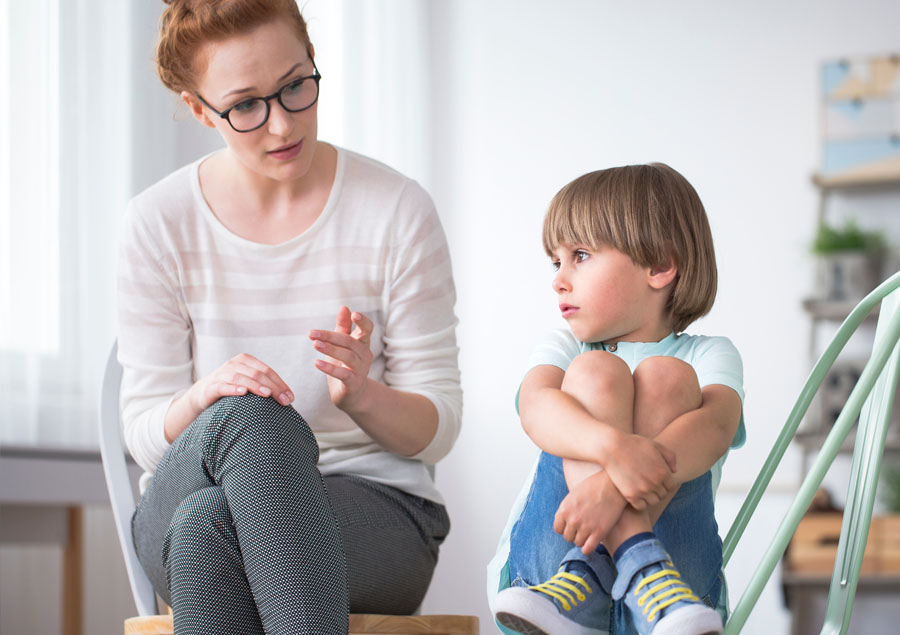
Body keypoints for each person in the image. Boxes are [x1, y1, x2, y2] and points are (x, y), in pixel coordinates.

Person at [118, 2, 461, 633]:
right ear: (200, 109)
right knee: (247, 418)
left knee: (206, 531)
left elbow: (436, 431)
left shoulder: (396, 210)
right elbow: (141, 434)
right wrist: (206, 397)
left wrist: (363, 396)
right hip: (186, 488)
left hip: (375, 515)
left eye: (296, 86)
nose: (281, 125)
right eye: (246, 105)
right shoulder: (156, 223)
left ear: (312, 64)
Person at [487, 163, 745, 635]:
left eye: (580, 255)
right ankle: (629, 562)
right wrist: (614, 449)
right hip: (547, 587)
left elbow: (714, 430)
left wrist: (610, 487)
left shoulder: (709, 355)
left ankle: (631, 571)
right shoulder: (566, 348)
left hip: (673, 598)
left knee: (668, 378)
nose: (559, 279)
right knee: (596, 372)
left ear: (659, 266)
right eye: (555, 261)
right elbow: (535, 408)